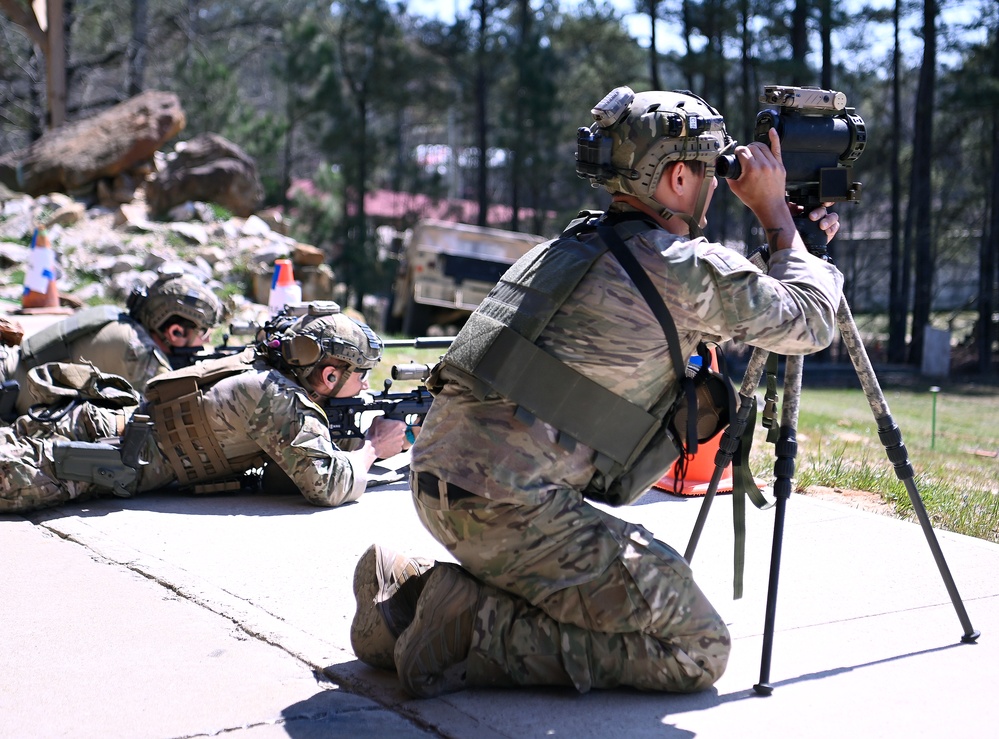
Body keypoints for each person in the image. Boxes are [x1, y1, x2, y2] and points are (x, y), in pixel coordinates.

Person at [350, 86, 846, 697]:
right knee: (697, 649)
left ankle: (413, 598)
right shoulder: (682, 268)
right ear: (680, 176)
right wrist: (780, 223)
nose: (719, 185)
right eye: (711, 170)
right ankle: (471, 631)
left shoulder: (572, 246)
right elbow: (812, 321)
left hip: (441, 485)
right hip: (511, 510)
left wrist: (785, 247)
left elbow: (701, 296)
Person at [0, 301, 407, 514]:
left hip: (95, 431)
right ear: (330, 375)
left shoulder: (268, 375)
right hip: (83, 452)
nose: (366, 384)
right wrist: (373, 447)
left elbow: (286, 469)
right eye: (362, 374)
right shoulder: (276, 398)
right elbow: (327, 486)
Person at [0, 270, 225, 421]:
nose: (207, 341)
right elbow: (176, 412)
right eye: (203, 331)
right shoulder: (140, 351)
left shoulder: (119, 321)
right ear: (175, 332)